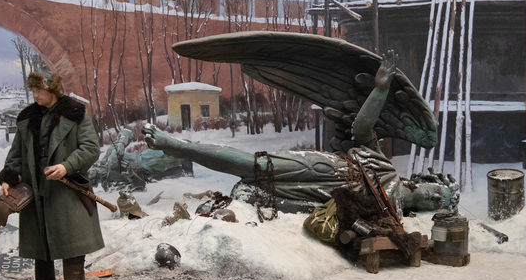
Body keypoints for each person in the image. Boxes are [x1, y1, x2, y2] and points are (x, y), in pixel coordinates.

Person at [141, 63, 460, 213]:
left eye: (438, 202)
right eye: (436, 192)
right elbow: (362, 129)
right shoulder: (386, 169)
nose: (433, 198)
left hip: (319, 197)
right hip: (328, 168)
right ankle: (177, 146)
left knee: (256, 189)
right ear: (423, 182)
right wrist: (379, 89)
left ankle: (244, 196)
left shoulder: (393, 215)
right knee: (254, 165)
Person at [0, 72, 102, 280]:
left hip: (67, 188)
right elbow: (16, 154)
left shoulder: (74, 114)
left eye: (39, 91)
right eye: (33, 90)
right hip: (35, 187)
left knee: (70, 238)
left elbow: (90, 148)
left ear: (53, 90)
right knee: (40, 235)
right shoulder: (27, 118)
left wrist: (67, 166)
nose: (35, 95)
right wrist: (7, 179)